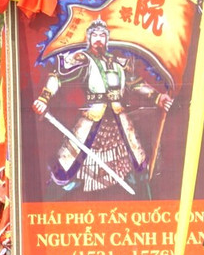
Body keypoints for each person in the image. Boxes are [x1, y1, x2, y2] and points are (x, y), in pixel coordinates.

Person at [33, 18, 173, 193]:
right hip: (92, 118)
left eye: (102, 35)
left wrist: (158, 97)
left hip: (119, 118)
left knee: (137, 162)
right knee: (68, 164)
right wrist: (44, 98)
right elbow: (57, 76)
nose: (98, 39)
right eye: (95, 35)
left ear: (107, 39)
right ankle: (54, 203)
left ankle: (145, 200)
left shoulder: (118, 63)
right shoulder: (82, 58)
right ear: (88, 39)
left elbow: (136, 84)